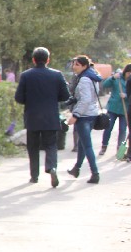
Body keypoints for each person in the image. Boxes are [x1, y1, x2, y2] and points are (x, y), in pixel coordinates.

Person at [13, 47, 70, 187]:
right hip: (51, 116)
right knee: (51, 145)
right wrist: (53, 98)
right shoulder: (57, 75)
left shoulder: (26, 75)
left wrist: (30, 100)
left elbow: (18, 97)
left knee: (33, 147)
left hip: (32, 116)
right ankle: (52, 167)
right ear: (48, 60)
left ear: (33, 60)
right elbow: (65, 96)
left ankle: (34, 176)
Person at [66, 55, 102, 183]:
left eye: (77, 64)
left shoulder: (84, 79)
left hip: (84, 116)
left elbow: (85, 100)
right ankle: (77, 168)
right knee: (82, 143)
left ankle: (95, 173)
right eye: (73, 64)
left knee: (87, 145)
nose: (73, 66)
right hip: (92, 114)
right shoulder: (92, 76)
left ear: (84, 66)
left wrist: (75, 115)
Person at [99, 68, 127, 155]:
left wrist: (126, 95)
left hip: (125, 109)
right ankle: (104, 146)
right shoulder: (117, 78)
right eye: (128, 73)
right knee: (108, 128)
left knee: (123, 129)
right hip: (112, 108)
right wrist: (112, 78)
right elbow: (105, 85)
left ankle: (120, 149)